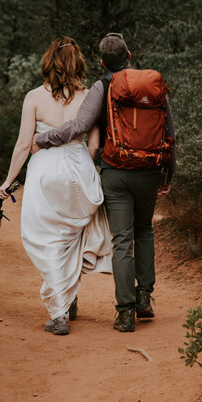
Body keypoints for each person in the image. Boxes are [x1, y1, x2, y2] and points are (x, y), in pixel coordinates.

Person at [33, 32, 176, 333]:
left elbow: (80, 125)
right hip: (150, 170)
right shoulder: (153, 85)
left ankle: (125, 314)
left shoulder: (103, 85)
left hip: (116, 172)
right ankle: (144, 297)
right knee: (145, 230)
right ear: (129, 56)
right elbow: (169, 131)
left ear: (101, 61)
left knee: (121, 240)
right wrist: (167, 173)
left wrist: (43, 138)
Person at [0, 37, 112, 336]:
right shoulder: (89, 96)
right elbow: (95, 145)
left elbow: (24, 144)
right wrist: (79, 166)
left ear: (48, 62)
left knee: (47, 240)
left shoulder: (34, 97)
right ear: (79, 64)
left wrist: (8, 182)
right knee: (72, 236)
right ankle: (68, 297)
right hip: (79, 167)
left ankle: (59, 313)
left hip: (45, 172)